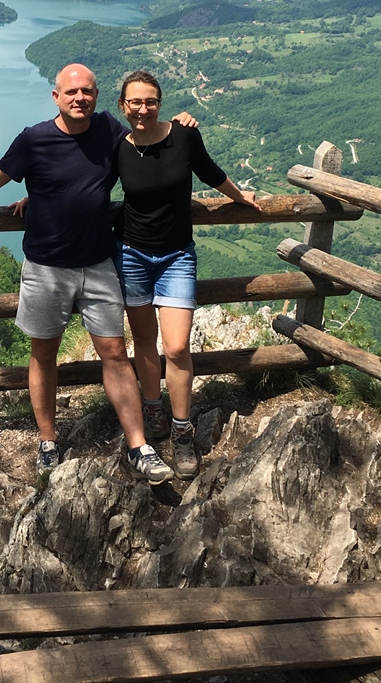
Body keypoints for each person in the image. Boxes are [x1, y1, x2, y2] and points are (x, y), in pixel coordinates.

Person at [0, 63, 188, 483]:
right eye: (71, 92)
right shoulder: (34, 139)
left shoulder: (108, 128)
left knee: (115, 354)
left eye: (87, 91)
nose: (79, 98)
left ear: (97, 96)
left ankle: (139, 446)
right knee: (43, 355)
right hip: (46, 269)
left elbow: (149, 134)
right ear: (56, 97)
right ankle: (48, 441)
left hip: (99, 264)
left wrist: (182, 125)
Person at [114, 70, 260, 479]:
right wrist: (34, 197)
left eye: (151, 102)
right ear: (123, 106)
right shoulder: (117, 146)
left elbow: (210, 172)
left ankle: (181, 431)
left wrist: (240, 197)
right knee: (144, 339)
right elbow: (88, 184)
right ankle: (153, 409)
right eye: (135, 102)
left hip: (177, 256)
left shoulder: (184, 135)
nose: (143, 109)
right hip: (131, 254)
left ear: (159, 103)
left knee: (176, 348)